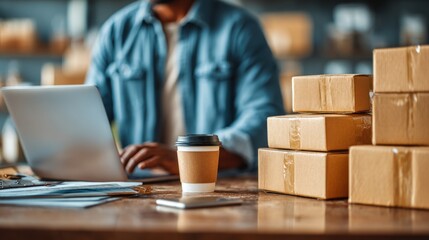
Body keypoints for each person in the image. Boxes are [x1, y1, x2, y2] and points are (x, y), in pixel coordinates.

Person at [85, 0, 284, 175]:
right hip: (139, 189)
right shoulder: (115, 33)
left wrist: (189, 158)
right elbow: (86, 120)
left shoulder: (239, 28)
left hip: (218, 189)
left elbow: (262, 120)